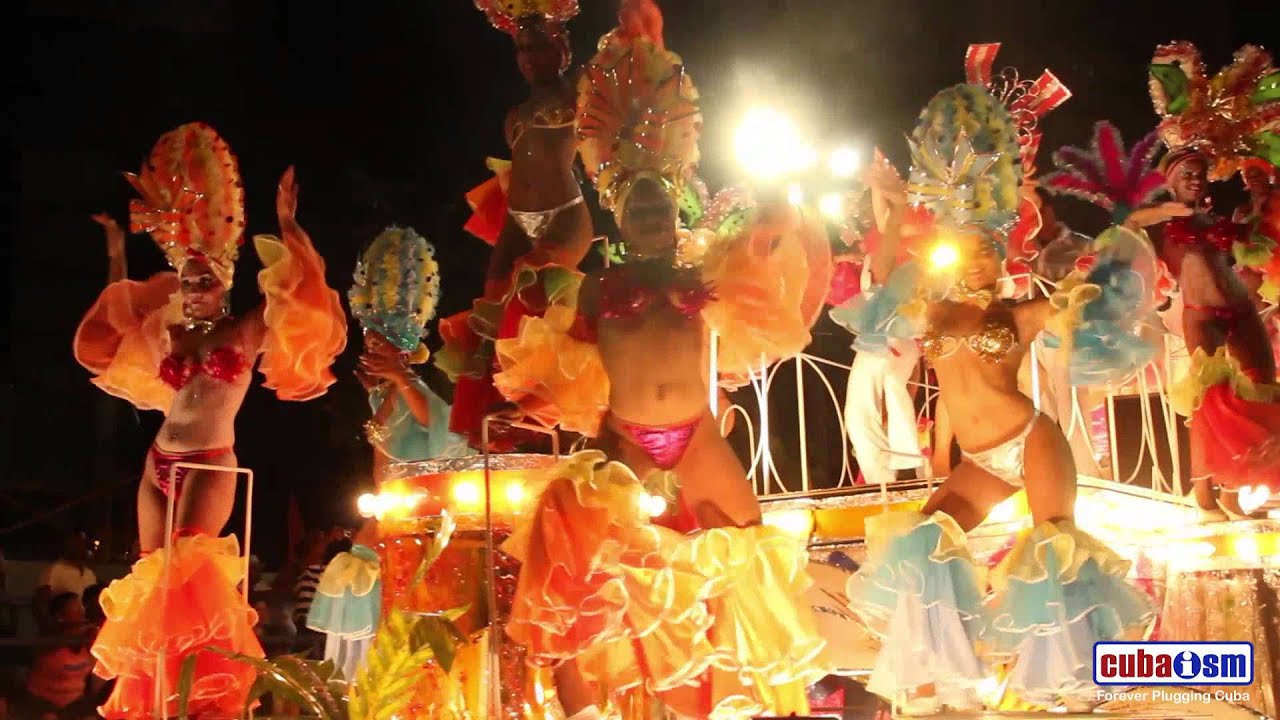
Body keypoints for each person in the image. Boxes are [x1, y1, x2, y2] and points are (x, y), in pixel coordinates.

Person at [496, 8, 831, 717]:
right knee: (576, 561)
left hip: (697, 437)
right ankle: (585, 706)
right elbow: (554, 344)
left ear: (675, 212)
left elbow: (772, 256)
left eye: (658, 204)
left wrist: (781, 208)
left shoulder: (707, 276)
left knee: (749, 557)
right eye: (637, 206)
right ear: (620, 216)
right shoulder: (594, 287)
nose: (648, 214)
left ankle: (769, 700)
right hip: (622, 442)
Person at [838, 52, 1152, 712]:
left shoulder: (1016, 313)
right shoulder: (930, 307)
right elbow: (888, 270)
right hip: (982, 460)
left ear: (1000, 254)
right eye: (970, 250)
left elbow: (1077, 293)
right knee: (927, 540)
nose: (982, 262)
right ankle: (943, 672)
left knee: (1055, 550)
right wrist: (890, 207)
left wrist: (1124, 235)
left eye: (990, 252)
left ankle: (1084, 685)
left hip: (1030, 440)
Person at [74, 123, 347, 717]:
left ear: (224, 284)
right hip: (159, 462)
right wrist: (119, 249)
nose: (195, 291)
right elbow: (119, 314)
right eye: (190, 282)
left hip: (210, 462)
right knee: (151, 580)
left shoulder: (243, 330)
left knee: (189, 578)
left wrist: (289, 224)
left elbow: (297, 291)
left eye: (206, 282)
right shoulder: (171, 331)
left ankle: (204, 701)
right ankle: (152, 702)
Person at [442, 0, 596, 450]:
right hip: (518, 218)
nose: (529, 57)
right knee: (491, 311)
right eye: (521, 49)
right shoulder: (514, 116)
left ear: (562, 50)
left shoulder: (579, 96)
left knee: (538, 299)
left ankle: (547, 406)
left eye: (538, 46)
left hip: (565, 216)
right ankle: (497, 417)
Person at [349, 226, 468, 480]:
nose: (371, 352)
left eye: (378, 346)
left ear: (403, 355)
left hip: (423, 494)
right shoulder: (381, 396)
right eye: (369, 346)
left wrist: (401, 378)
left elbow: (441, 428)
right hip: (392, 498)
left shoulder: (411, 389)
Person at [33, 532, 96, 634]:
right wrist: (49, 629)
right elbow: (40, 603)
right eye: (75, 542)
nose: (78, 546)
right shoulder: (54, 570)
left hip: (85, 631)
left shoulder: (90, 574)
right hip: (63, 631)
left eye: (81, 542)